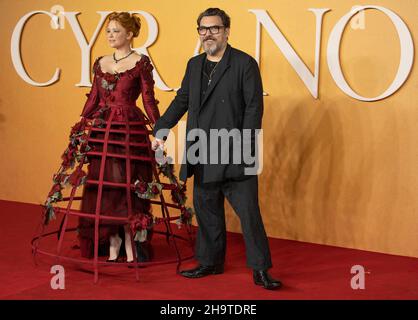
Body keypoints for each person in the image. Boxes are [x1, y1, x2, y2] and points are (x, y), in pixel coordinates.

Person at [152, 8, 281, 290]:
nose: (207, 33)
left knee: (249, 213)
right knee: (206, 209)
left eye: (214, 28)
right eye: (202, 29)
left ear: (226, 31)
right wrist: (160, 130)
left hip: (235, 149)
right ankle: (210, 262)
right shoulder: (194, 64)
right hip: (201, 148)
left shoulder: (245, 64)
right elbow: (182, 100)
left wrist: (245, 148)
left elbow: (253, 109)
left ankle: (260, 270)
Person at [77, 12, 160, 263]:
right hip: (103, 130)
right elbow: (93, 98)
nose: (110, 35)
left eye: (116, 31)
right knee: (105, 182)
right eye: (108, 31)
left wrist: (160, 129)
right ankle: (111, 237)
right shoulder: (101, 62)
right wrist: (82, 123)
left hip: (128, 129)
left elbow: (147, 99)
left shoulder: (140, 62)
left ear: (130, 34)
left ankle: (128, 236)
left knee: (127, 182)